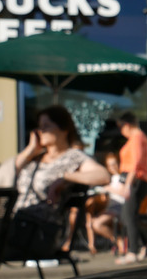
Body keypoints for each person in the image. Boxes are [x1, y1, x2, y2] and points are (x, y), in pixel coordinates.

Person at [9, 105, 110, 256]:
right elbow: (8, 175)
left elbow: (103, 176)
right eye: (39, 126)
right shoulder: (34, 159)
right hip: (14, 223)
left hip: (38, 230)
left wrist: (66, 176)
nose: (40, 131)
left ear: (64, 129)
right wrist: (30, 150)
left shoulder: (73, 157)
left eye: (46, 126)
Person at [114, 112, 147, 265]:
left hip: (136, 180)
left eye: (121, 128)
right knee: (129, 216)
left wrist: (128, 184)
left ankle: (133, 251)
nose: (121, 131)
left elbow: (135, 164)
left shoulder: (137, 137)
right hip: (138, 180)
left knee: (128, 216)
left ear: (127, 125)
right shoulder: (139, 137)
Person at [69, 152, 126, 255]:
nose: (113, 167)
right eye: (110, 165)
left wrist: (109, 189)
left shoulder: (123, 177)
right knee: (90, 219)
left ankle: (118, 241)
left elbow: (124, 193)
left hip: (120, 208)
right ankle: (98, 244)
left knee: (96, 223)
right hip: (110, 207)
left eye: (114, 164)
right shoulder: (111, 179)